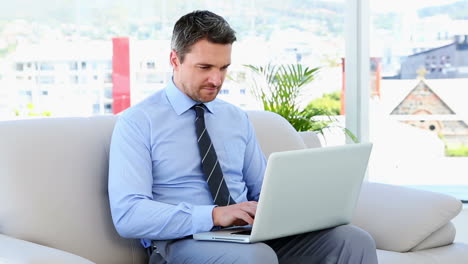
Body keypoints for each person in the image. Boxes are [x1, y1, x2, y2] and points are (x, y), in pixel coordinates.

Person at [108, 10, 378, 264]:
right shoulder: (138, 122)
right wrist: (214, 215)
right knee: (256, 257)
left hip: (244, 235)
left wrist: (296, 208)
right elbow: (128, 215)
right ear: (175, 60)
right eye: (204, 67)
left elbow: (263, 190)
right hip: (181, 241)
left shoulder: (236, 118)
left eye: (224, 68)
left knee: (352, 240)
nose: (216, 79)